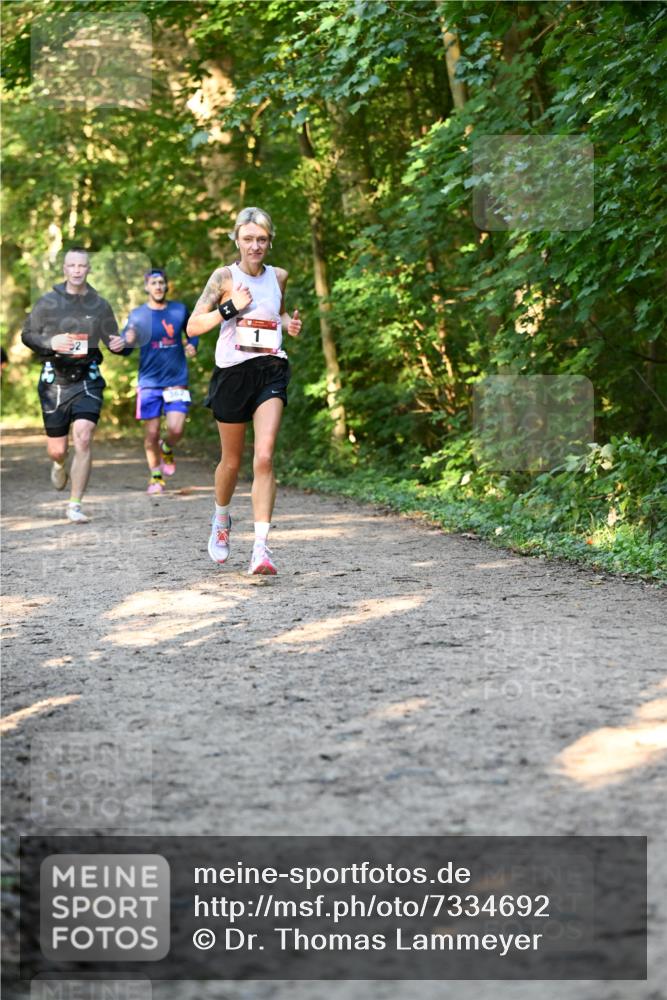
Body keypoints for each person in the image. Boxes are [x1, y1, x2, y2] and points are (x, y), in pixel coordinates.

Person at [187, 206, 302, 575]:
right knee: (231, 462)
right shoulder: (224, 277)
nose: (256, 246)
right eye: (249, 239)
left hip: (270, 369)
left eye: (262, 240)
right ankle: (221, 519)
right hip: (232, 374)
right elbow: (192, 327)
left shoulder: (279, 276)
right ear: (236, 238)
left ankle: (261, 549)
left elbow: (277, 312)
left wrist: (289, 323)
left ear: (270, 241)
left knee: (265, 457)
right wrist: (229, 308)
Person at [21, 247, 128, 523]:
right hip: (53, 381)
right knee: (58, 449)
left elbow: (114, 341)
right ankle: (58, 463)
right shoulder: (47, 302)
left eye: (82, 266)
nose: (77, 270)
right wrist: (49, 343)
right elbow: (27, 335)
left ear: (88, 269)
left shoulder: (99, 304)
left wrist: (122, 345)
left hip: (87, 379)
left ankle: (75, 504)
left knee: (83, 435)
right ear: (65, 269)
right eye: (72, 266)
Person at [121, 269, 198, 494]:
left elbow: (193, 330)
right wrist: (128, 341)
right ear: (146, 287)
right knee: (151, 434)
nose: (158, 286)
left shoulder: (179, 310)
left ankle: (168, 447)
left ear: (166, 286)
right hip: (149, 382)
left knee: (175, 428)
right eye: (153, 283)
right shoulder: (137, 315)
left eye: (161, 282)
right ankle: (156, 477)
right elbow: (125, 348)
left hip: (176, 379)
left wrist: (193, 344)